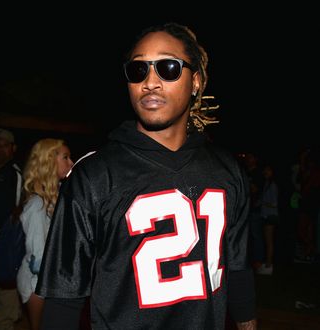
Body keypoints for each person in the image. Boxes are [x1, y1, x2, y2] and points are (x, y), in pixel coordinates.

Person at [36, 22, 257, 330]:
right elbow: (64, 298)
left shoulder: (226, 169)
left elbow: (239, 269)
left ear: (195, 81)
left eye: (168, 67)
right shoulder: (94, 176)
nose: (150, 82)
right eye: (138, 70)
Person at [16, 138, 73, 330]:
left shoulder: (54, 199)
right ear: (49, 161)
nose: (71, 163)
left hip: (48, 282)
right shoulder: (37, 206)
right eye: (65, 157)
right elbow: (38, 260)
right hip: (36, 285)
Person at [0, 128, 23, 330]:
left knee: (5, 281)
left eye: (5, 145)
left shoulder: (14, 173)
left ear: (13, 148)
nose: (0, 149)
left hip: (2, 235)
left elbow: (18, 209)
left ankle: (4, 323)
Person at [256, 164, 279, 275]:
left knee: (269, 241)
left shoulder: (273, 185)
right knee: (267, 241)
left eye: (268, 170)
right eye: (265, 169)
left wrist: (263, 203)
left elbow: (274, 204)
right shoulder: (267, 184)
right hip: (266, 215)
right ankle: (267, 264)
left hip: (270, 216)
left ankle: (269, 266)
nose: (265, 172)